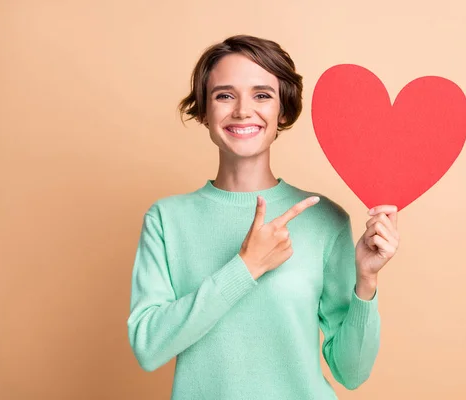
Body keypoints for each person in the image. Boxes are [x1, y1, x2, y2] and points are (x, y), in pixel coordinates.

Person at [127, 34, 400, 400]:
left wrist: (366, 279)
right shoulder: (166, 220)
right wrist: (246, 267)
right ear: (204, 112)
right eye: (224, 95)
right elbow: (149, 347)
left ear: (282, 111)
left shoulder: (325, 219)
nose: (242, 110)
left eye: (262, 95)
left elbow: (351, 372)